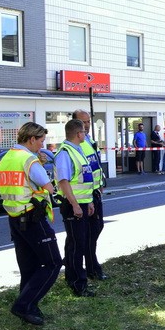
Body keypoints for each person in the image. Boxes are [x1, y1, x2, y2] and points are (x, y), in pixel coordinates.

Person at [0, 122, 61, 326]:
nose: (42, 145)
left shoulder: (6, 158)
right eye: (41, 141)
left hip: (14, 218)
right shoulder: (29, 160)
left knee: (28, 267)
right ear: (31, 139)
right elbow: (49, 187)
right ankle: (23, 305)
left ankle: (29, 309)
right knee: (53, 263)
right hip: (33, 216)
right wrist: (41, 165)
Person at [55, 119, 96, 297]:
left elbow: (85, 178)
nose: (85, 134)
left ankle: (75, 279)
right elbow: (63, 182)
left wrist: (90, 201)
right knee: (76, 246)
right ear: (78, 134)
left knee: (78, 243)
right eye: (84, 132)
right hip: (74, 205)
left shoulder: (77, 150)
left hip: (83, 203)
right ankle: (78, 284)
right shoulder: (66, 153)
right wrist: (75, 204)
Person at [73, 109, 108, 281]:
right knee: (86, 234)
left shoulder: (89, 140)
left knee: (97, 228)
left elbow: (95, 166)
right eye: (83, 122)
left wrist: (101, 184)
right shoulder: (76, 144)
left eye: (88, 122)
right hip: (84, 195)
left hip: (94, 192)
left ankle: (92, 265)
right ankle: (90, 267)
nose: (86, 125)